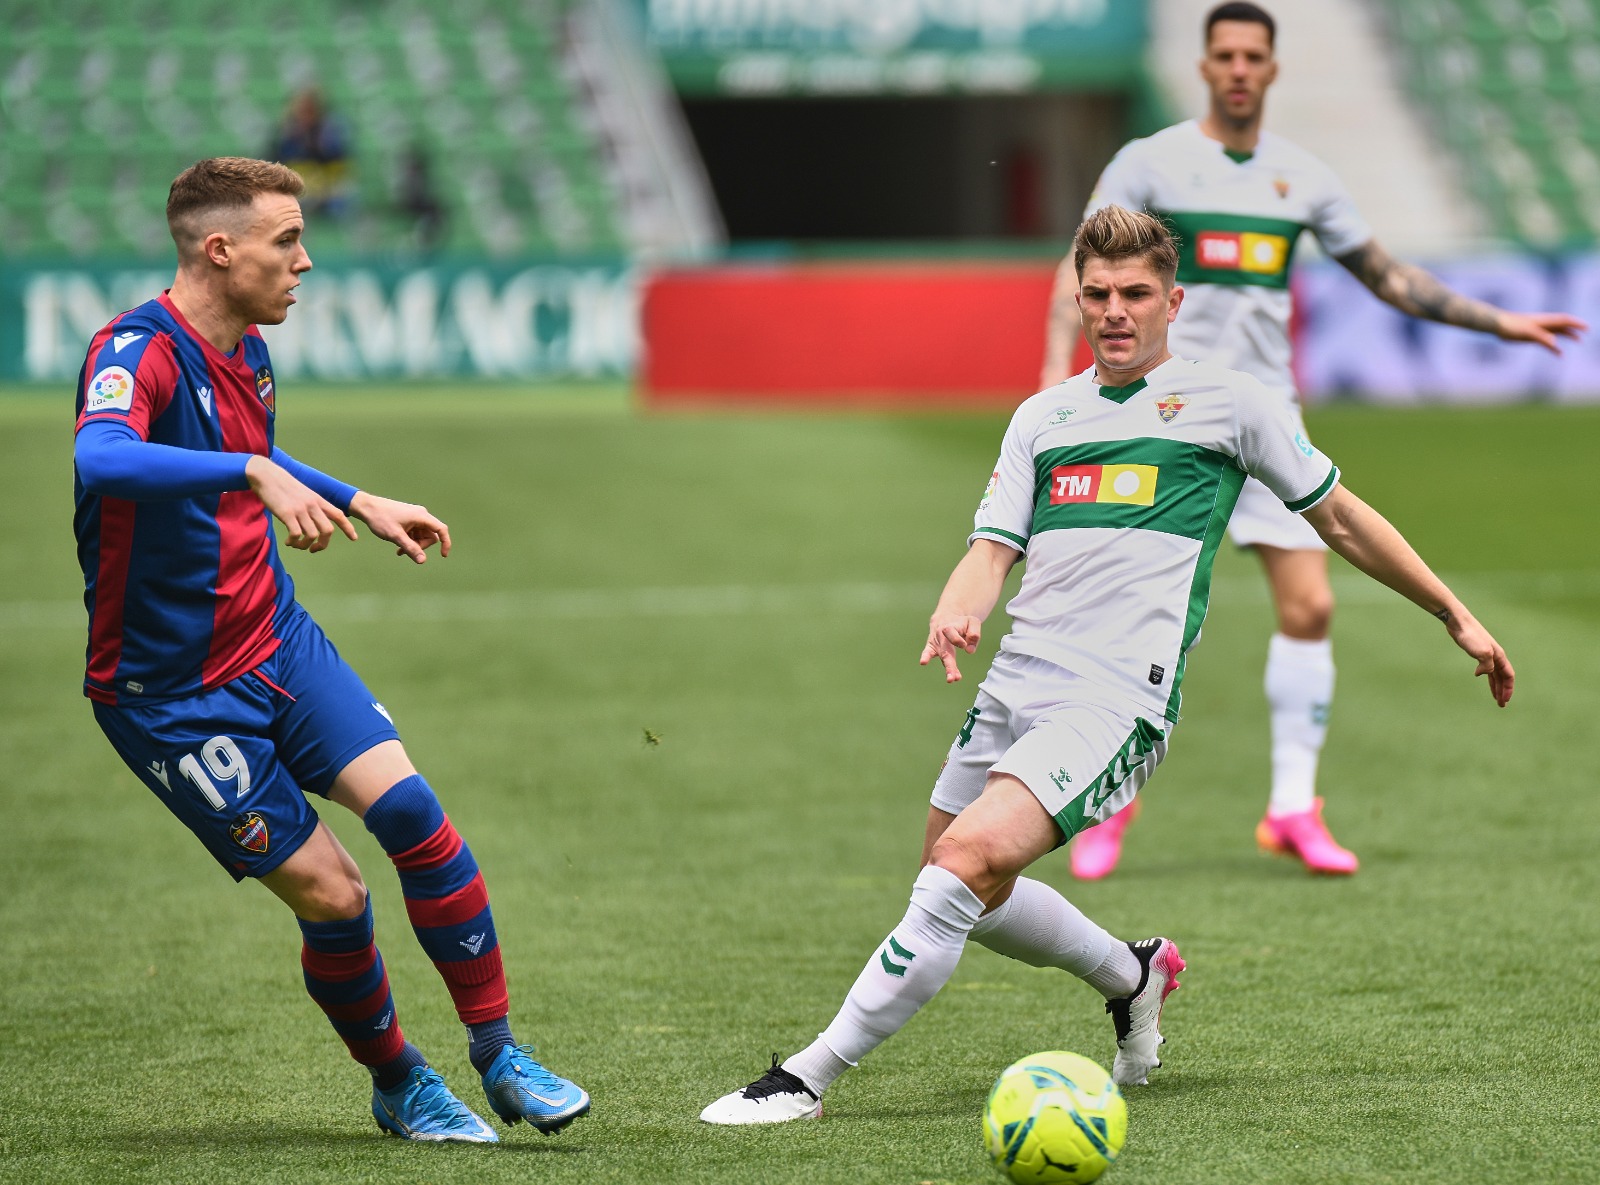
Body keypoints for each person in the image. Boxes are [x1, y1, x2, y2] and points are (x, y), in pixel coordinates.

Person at [700, 205, 1513, 1125]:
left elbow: (1342, 517)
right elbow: (992, 546)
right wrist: (960, 599)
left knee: (962, 864)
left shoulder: (1232, 405)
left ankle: (805, 1076)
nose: (1115, 311)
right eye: (1097, 294)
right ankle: (1132, 973)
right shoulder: (1042, 418)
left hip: (1117, 699)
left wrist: (1453, 612)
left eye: (1134, 294)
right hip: (1016, 681)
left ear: (1174, 299)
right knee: (957, 880)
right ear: (1078, 298)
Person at [72, 157, 588, 1143]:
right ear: (219, 250)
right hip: (168, 696)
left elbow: (249, 448)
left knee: (417, 818)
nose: (305, 262)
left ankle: (501, 1056)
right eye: (286, 241)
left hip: (273, 636)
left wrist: (357, 497)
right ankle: (399, 1080)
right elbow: (99, 455)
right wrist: (255, 470)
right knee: (335, 894)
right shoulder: (134, 349)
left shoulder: (251, 349)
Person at [1040, 2, 1580, 880]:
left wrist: (1498, 321)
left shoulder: (1302, 177)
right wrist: (1047, 388)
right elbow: (1081, 273)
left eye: (1255, 54)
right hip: (1163, 416)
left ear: (1273, 68)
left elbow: (1387, 274)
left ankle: (1293, 807)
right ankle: (1107, 801)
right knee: (1140, 617)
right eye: (1226, 55)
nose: (1241, 68)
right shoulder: (1150, 162)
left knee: (1312, 607)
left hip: (1264, 417)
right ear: (1207, 66)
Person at [269, 88, 352, 219]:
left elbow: (338, 161)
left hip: (325, 184)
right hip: (297, 184)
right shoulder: (286, 132)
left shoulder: (328, 133)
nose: (305, 116)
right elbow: (275, 161)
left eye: (309, 111)